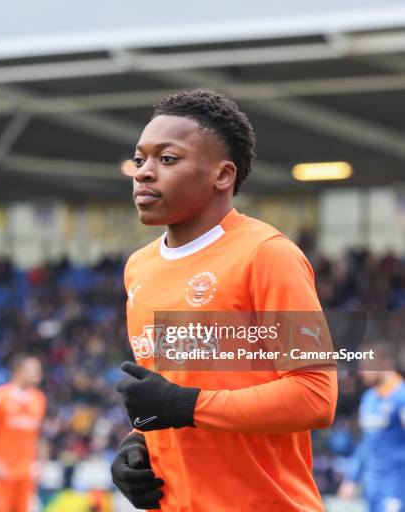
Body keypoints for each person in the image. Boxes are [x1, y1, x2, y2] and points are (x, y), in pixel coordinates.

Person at [111, 89, 338, 511]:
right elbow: (168, 393)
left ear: (222, 175)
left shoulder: (267, 254)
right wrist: (137, 442)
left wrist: (186, 406)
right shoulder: (138, 267)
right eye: (140, 160)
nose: (143, 173)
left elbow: (315, 396)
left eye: (168, 159)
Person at [338, 342, 405, 512]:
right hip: (372, 485)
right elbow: (366, 442)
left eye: (367, 366)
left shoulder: (401, 397)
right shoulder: (369, 398)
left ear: (383, 365)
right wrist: (352, 479)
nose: (361, 373)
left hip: (397, 485)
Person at [0, 354, 46, 512]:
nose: (39, 373)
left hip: (26, 473)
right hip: (1, 472)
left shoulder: (39, 399)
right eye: (34, 369)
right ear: (18, 371)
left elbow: (39, 435)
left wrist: (42, 463)